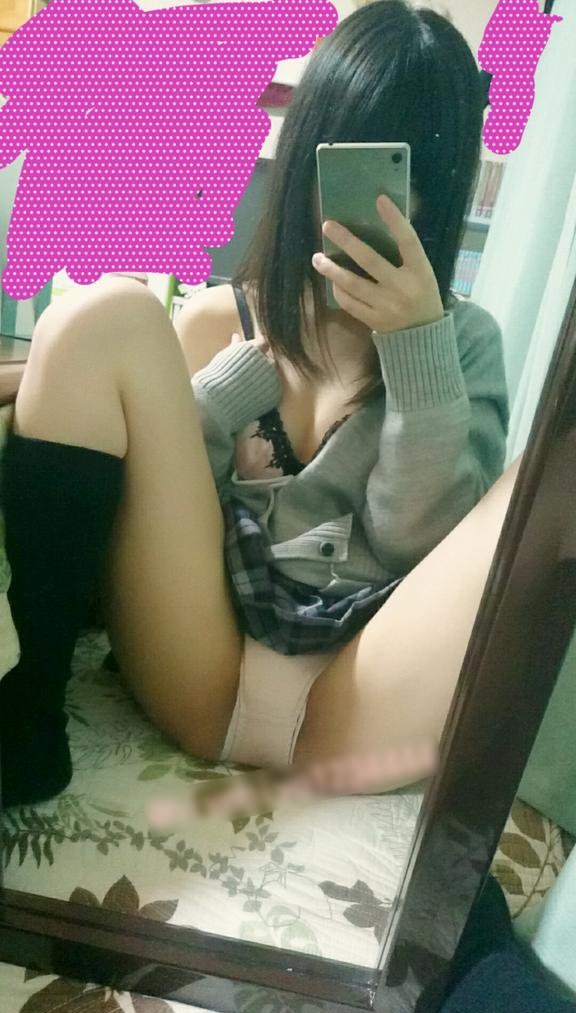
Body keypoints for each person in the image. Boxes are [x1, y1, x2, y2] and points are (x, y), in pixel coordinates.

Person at [0, 0, 516, 810]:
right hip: (194, 659)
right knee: (103, 314)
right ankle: (24, 721)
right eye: (351, 167)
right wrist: (232, 385)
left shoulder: (467, 344)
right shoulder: (218, 319)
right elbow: (145, 520)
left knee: (546, 468)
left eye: (408, 175)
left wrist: (418, 347)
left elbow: (414, 546)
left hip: (355, 707)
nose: (386, 207)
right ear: (308, 156)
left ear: (444, 187)